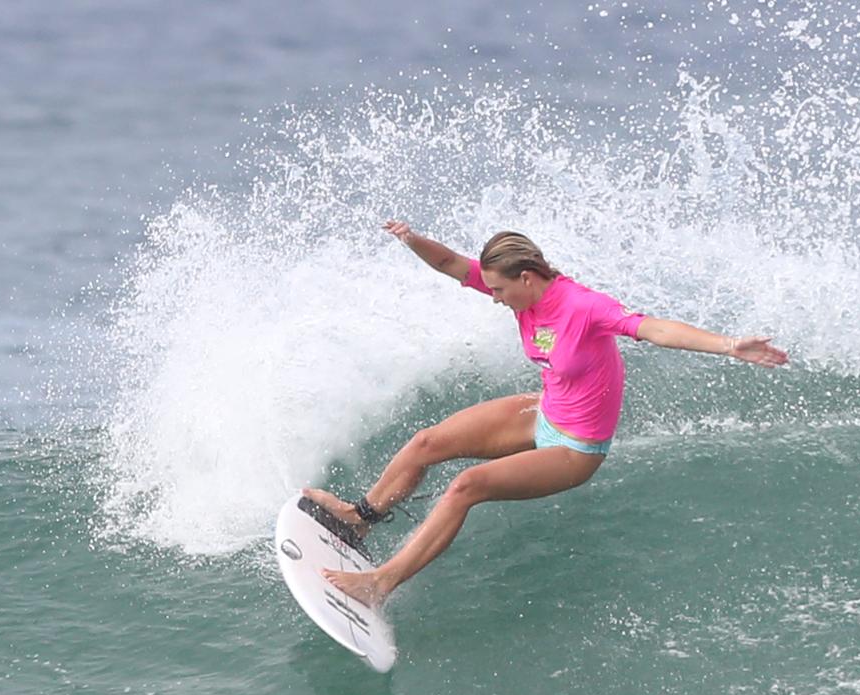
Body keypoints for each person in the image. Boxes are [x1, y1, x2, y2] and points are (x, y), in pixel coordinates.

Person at [304, 220, 788, 605]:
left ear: (527, 278)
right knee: (427, 443)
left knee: (466, 486)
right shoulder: (521, 297)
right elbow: (453, 263)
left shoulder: (583, 307)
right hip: (543, 412)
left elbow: (654, 328)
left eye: (498, 290)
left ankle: (380, 584)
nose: (491, 297)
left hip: (576, 448)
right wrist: (411, 240)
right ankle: (358, 517)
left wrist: (729, 346)